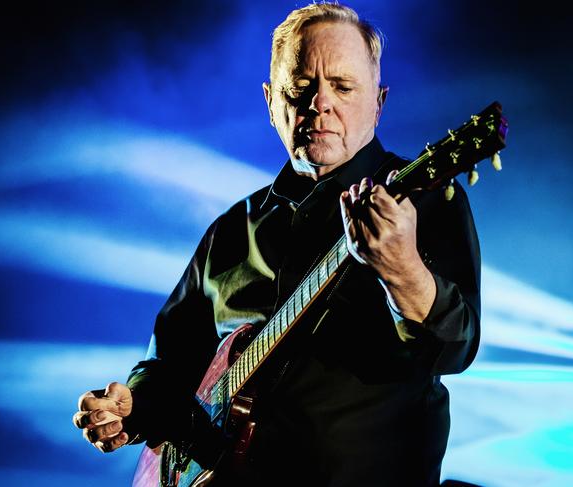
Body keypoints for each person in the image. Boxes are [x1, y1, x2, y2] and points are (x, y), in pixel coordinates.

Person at [73, 3, 481, 486]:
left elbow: (456, 348)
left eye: (343, 86)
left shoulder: (420, 199)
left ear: (379, 102)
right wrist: (135, 404)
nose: (320, 103)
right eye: (301, 87)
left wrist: (402, 270)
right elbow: (170, 360)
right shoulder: (231, 231)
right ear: (271, 102)